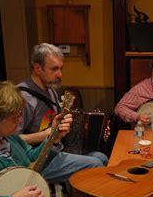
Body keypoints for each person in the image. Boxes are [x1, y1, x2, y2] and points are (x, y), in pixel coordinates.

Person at [17, 43, 108, 184]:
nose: (60, 74)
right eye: (54, 69)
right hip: (35, 159)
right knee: (95, 164)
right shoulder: (24, 98)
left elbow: (52, 122)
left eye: (61, 68)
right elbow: (11, 140)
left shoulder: (50, 90)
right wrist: (47, 134)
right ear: (37, 69)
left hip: (53, 149)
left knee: (101, 156)